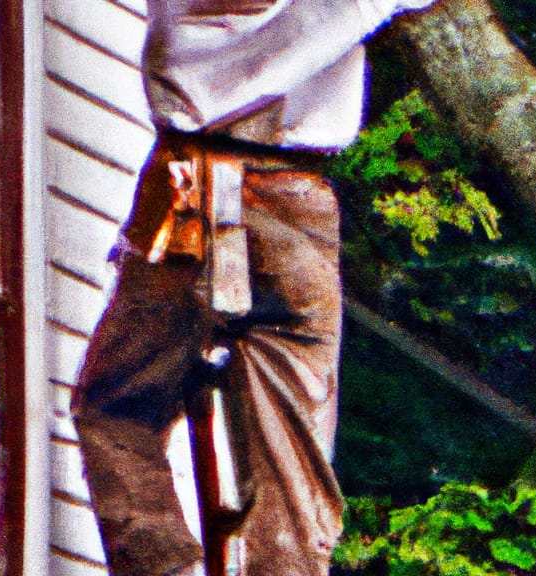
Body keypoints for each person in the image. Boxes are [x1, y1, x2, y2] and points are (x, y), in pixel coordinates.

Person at [71, 1, 437, 574]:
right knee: (291, 454)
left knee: (118, 404)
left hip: (187, 185)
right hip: (293, 195)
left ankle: (161, 563)